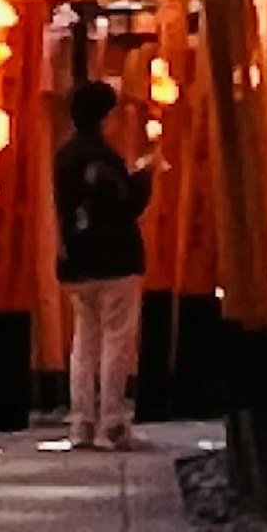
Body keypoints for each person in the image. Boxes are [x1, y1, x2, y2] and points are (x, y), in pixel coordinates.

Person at [51, 68, 154, 447]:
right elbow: (125, 204)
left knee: (85, 341)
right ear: (103, 117)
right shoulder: (103, 158)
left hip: (76, 261)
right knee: (116, 340)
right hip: (116, 258)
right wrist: (144, 178)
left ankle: (81, 422)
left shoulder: (64, 156)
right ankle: (112, 420)